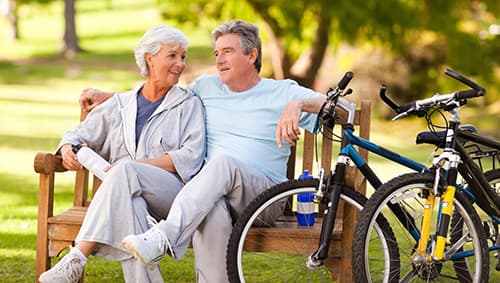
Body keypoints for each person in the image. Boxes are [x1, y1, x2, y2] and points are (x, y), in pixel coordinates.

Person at [80, 20, 327, 283]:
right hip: (212, 195)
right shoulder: (206, 87)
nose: (219, 59)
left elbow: (342, 108)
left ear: (252, 55)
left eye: (228, 51)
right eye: (216, 53)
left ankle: (165, 237)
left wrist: (298, 105)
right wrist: (109, 96)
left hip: (262, 199)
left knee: (223, 164)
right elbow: (161, 93)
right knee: (209, 207)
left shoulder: (282, 91)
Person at [38, 24, 206, 283]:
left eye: (183, 57)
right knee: (131, 208)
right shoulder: (120, 105)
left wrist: (137, 166)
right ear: (149, 58)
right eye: (172, 55)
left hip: (172, 198)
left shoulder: (188, 104)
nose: (180, 64)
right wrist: (66, 149)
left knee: (126, 169)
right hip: (126, 198)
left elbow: (190, 157)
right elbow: (77, 134)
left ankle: (77, 258)